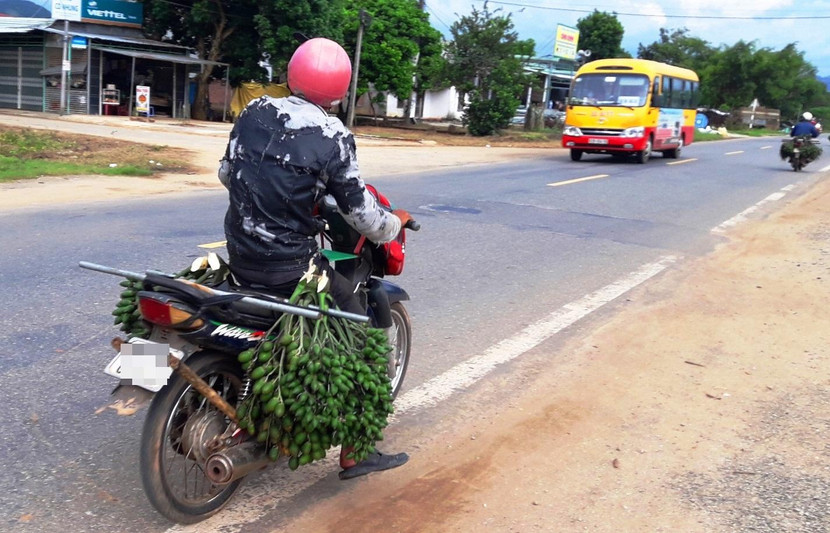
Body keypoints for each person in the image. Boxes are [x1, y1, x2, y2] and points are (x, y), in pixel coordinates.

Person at [218, 37, 411, 480]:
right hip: (291, 270)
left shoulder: (254, 112)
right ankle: (357, 451)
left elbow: (228, 173)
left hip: (240, 255)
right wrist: (395, 223)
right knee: (361, 334)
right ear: (340, 91)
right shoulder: (333, 136)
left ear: (291, 75)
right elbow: (363, 216)